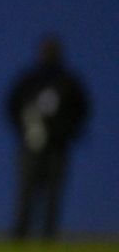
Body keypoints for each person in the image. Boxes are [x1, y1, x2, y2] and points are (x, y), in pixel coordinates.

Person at [6, 36, 89, 240]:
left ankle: (49, 237)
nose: (49, 55)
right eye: (46, 51)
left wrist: (67, 132)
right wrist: (26, 130)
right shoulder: (30, 80)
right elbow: (12, 106)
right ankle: (20, 236)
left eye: (52, 51)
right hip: (31, 145)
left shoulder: (68, 81)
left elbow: (81, 110)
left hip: (58, 146)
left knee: (53, 193)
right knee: (27, 191)